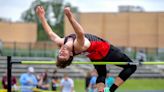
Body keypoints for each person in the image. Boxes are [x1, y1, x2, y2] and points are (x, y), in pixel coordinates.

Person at [36, 5, 137, 92]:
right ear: (70, 54)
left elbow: (50, 34)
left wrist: (41, 17)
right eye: (64, 55)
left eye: (60, 54)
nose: (62, 51)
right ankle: (111, 90)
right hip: (106, 50)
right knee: (132, 66)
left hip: (94, 55)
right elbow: (80, 33)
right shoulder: (78, 45)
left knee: (102, 75)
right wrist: (70, 17)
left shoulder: (61, 42)